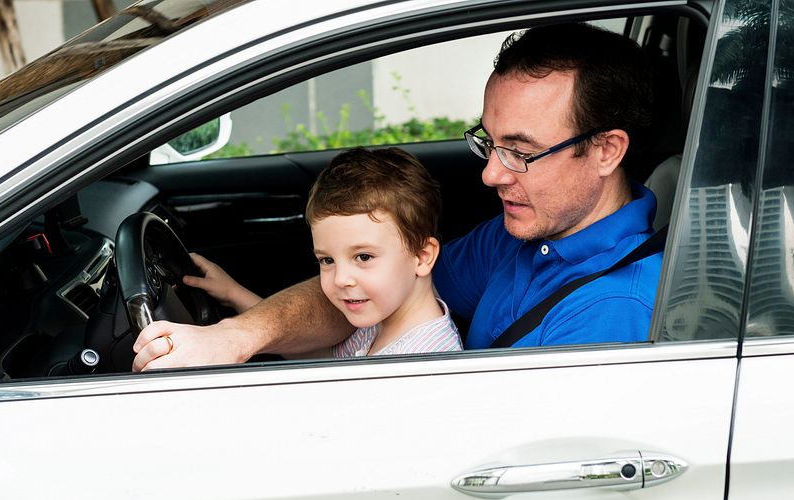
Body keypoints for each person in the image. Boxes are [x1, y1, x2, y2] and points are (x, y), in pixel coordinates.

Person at [131, 22, 660, 371]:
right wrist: (236, 337)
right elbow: (381, 291)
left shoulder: (611, 310)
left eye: (521, 151)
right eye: (489, 143)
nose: (492, 176)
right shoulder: (521, 236)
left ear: (606, 150)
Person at [178, 147, 461, 359]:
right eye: (327, 260)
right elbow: (317, 365)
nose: (341, 279)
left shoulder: (426, 362)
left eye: (363, 257)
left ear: (422, 257)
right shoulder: (378, 321)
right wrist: (233, 293)